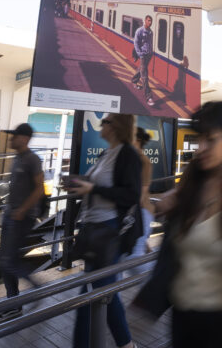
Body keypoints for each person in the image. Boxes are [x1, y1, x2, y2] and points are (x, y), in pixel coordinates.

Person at [133, 102, 222, 348]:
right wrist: (157, 206)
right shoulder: (189, 187)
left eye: (211, 140)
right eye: (199, 139)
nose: (201, 148)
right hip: (182, 317)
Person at [67, 113, 141, 348]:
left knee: (96, 293)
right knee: (98, 292)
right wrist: (80, 185)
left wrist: (93, 188)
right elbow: (96, 186)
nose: (101, 124)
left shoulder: (128, 155)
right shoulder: (105, 154)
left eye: (106, 121)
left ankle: (122, 344)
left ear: (117, 126)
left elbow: (131, 194)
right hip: (93, 227)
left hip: (109, 230)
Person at [0, 123, 44, 326]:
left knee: (7, 262)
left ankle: (27, 295)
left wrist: (22, 210)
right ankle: (14, 302)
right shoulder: (17, 158)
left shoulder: (32, 159)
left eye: (15, 136)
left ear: (26, 138)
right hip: (11, 216)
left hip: (22, 218)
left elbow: (39, 188)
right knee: (3, 261)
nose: (11, 139)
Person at [125, 126, 155, 276]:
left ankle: (154, 280)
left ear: (136, 141)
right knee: (132, 252)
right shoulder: (133, 159)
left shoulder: (143, 161)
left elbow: (140, 193)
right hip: (138, 212)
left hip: (141, 212)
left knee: (132, 258)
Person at [132, 15, 155, 107]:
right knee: (145, 76)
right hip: (143, 55)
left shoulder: (150, 32)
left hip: (149, 55)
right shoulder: (139, 31)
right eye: (149, 20)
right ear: (145, 20)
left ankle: (134, 80)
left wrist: (151, 52)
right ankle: (149, 97)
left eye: (151, 21)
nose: (150, 22)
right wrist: (140, 54)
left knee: (141, 69)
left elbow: (149, 43)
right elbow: (136, 43)